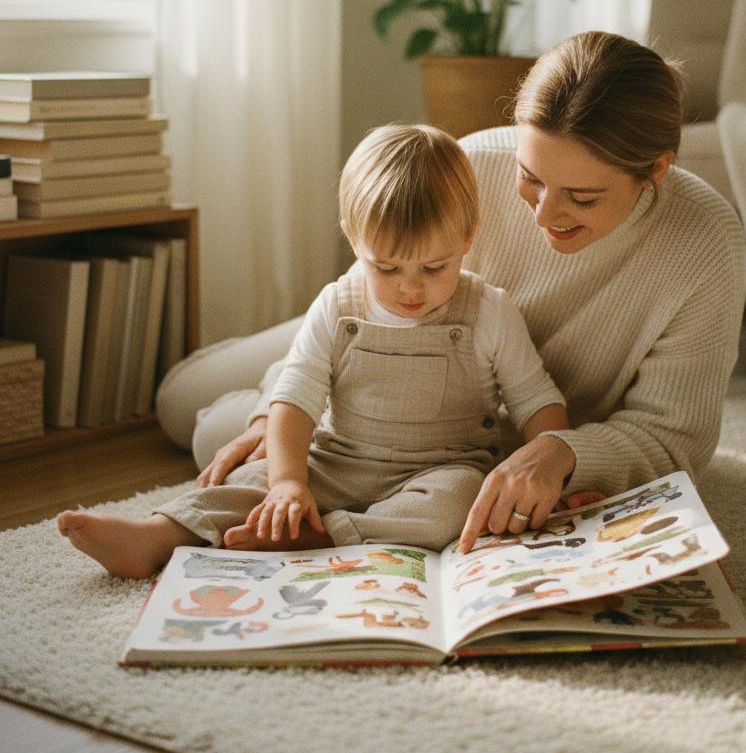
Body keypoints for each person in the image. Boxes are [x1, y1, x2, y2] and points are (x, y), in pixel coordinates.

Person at [155, 31, 746, 554]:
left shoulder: (706, 243)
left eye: (583, 199)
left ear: (657, 170)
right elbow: (376, 286)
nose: (544, 214)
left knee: (216, 441)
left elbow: (674, 439)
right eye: (531, 179)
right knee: (194, 417)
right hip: (373, 339)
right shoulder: (472, 165)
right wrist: (278, 417)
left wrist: (566, 453)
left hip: (468, 440)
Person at [58, 124, 571, 578]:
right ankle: (154, 536)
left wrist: (552, 475)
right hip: (335, 458)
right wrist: (287, 482)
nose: (410, 289)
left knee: (457, 505)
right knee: (248, 481)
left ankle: (323, 537)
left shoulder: (489, 311)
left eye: (434, 268)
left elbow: (534, 402)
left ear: (468, 237)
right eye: (387, 268)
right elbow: (295, 397)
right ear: (353, 239)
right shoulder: (338, 303)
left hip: (439, 469)